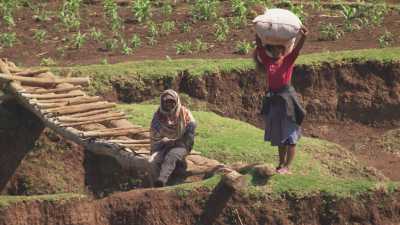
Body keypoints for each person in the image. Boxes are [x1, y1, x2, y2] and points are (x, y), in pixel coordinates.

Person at [254, 25, 308, 175]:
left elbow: (297, 50)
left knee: (290, 136)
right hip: (275, 101)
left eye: (279, 49)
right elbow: (259, 47)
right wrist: (258, 32)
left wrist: (303, 37)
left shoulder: (287, 61)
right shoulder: (268, 62)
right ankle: (281, 163)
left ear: (283, 50)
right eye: (274, 50)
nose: (276, 52)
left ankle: (287, 167)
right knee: (279, 136)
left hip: (287, 101)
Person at [149, 89, 196, 187]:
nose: (169, 104)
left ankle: (161, 181)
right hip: (163, 145)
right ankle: (152, 186)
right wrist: (164, 142)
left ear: (176, 101)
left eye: (172, 101)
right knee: (152, 162)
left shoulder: (185, 114)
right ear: (162, 102)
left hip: (181, 145)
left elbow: (189, 137)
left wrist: (177, 143)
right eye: (166, 101)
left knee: (171, 156)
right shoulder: (158, 115)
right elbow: (154, 135)